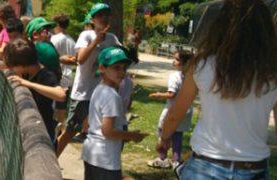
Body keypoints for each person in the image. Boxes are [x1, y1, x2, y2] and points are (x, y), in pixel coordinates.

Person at [155, 0, 277, 179]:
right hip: (253, 170)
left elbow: (176, 114)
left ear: (219, 27)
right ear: (266, 31)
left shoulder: (202, 65)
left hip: (205, 166)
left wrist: (165, 138)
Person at [57, 2, 122, 157]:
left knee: (99, 133)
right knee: (70, 131)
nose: (104, 18)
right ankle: (49, 163)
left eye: (106, 14)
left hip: (102, 95)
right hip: (83, 94)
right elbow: (80, 59)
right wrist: (95, 42)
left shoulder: (113, 39)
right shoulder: (86, 35)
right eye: (99, 15)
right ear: (92, 19)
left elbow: (120, 61)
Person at [83, 46, 147, 179]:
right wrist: (132, 136)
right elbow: (108, 131)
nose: (121, 72)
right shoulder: (111, 95)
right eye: (116, 67)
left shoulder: (99, 89)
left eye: (124, 67)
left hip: (92, 154)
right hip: (105, 159)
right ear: (102, 68)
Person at [0, 38, 66, 147]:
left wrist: (27, 83)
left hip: (45, 132)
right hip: (31, 128)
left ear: (22, 65)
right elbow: (10, 64)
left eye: (12, 66)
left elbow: (61, 95)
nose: (10, 68)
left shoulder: (46, 75)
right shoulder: (29, 68)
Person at [146, 50, 194, 169]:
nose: (174, 61)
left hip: (172, 109)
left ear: (183, 62)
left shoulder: (175, 76)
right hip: (186, 110)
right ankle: (176, 161)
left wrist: (158, 95)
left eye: (177, 59)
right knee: (177, 135)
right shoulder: (191, 76)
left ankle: (162, 158)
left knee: (163, 132)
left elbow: (171, 94)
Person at [50, 13, 77, 136]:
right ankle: (60, 131)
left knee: (52, 106)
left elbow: (51, 56)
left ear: (56, 24)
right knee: (61, 107)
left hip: (56, 76)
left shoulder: (55, 39)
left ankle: (52, 130)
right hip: (68, 77)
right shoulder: (72, 40)